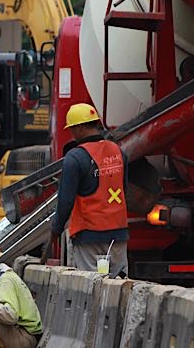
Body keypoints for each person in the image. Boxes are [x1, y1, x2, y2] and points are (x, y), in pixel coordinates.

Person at [50, 103, 130, 277]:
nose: (71, 133)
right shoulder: (118, 152)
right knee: (119, 283)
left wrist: (56, 228)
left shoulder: (75, 157)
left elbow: (66, 201)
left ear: (79, 128)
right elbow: (123, 190)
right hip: (118, 232)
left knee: (91, 287)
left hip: (89, 235)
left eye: (72, 129)